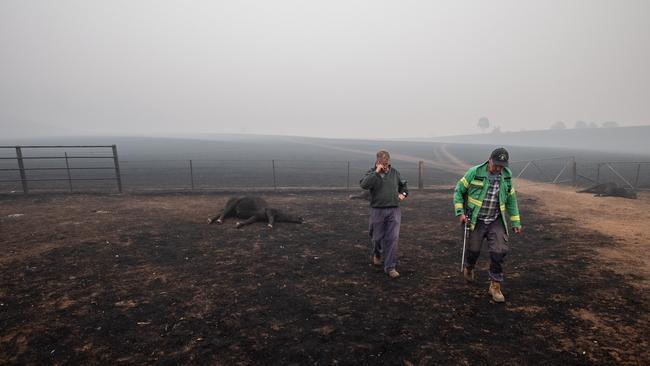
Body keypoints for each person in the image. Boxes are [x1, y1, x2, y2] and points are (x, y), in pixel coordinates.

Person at [453, 147, 522, 302]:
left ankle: (495, 286)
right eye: (496, 164)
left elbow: (511, 200)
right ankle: (469, 267)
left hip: (496, 219)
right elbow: (458, 191)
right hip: (476, 219)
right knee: (473, 250)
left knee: (499, 251)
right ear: (489, 160)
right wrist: (460, 212)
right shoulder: (474, 172)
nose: (498, 168)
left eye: (501, 166)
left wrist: (516, 221)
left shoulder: (507, 176)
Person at [360, 150, 408, 278]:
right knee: (376, 237)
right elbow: (364, 185)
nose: (384, 164)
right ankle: (377, 253)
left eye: (386, 162)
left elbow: (404, 187)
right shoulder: (371, 173)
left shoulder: (395, 173)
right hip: (377, 210)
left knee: (393, 238)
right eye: (382, 162)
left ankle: (390, 267)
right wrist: (376, 172)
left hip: (394, 210)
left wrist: (403, 195)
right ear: (377, 161)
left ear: (389, 161)